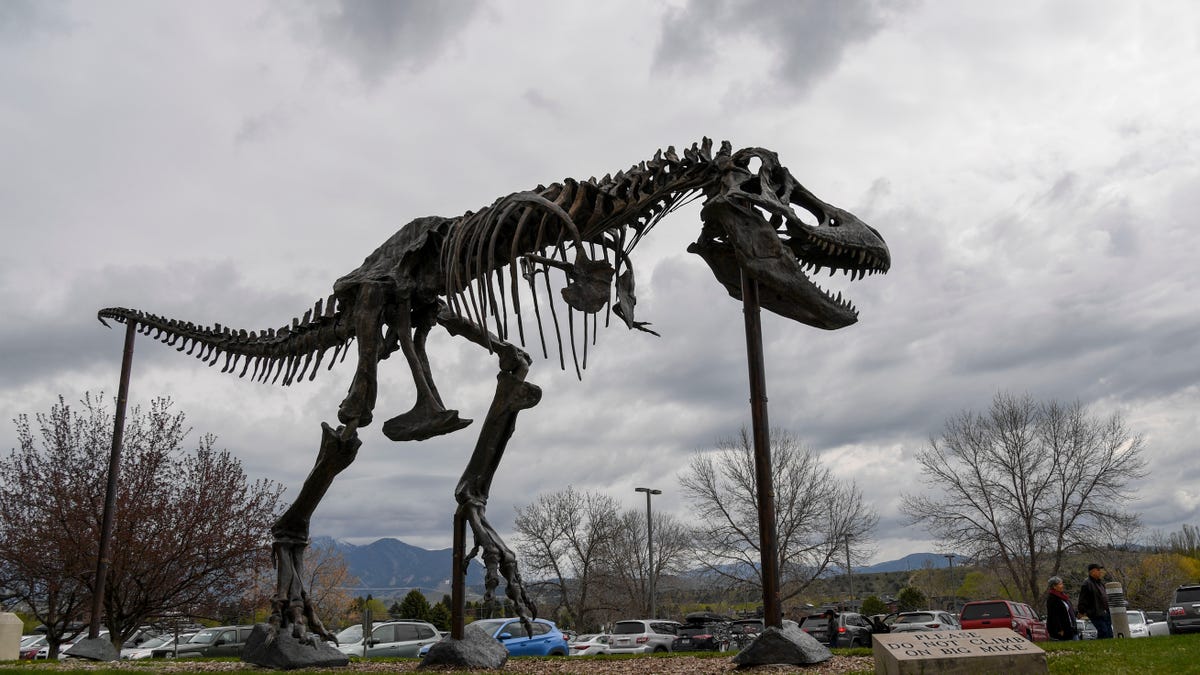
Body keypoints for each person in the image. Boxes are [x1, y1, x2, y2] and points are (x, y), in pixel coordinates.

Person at [1077, 563, 1113, 639]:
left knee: (1109, 633)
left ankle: (1110, 648)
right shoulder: (1087, 584)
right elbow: (1083, 599)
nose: (1100, 572)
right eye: (1098, 570)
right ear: (1092, 572)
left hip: (1105, 612)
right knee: (1104, 632)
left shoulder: (1100, 583)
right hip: (1095, 613)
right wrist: (1081, 611)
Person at [1045, 576, 1078, 640]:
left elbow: (1069, 611)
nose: (1062, 585)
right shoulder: (1052, 599)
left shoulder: (1063, 597)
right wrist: (1059, 629)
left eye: (1062, 583)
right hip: (1062, 630)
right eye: (1060, 584)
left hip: (1071, 628)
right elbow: (1054, 615)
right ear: (1054, 586)